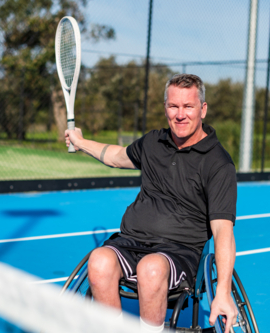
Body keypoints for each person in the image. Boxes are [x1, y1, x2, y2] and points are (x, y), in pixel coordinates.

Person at [65, 74, 238, 332]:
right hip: (131, 241)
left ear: (202, 109)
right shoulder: (153, 142)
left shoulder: (218, 163)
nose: (180, 115)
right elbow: (115, 156)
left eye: (188, 107)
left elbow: (223, 229)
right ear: (165, 107)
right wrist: (80, 142)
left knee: (151, 268)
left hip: (178, 252)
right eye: (173, 106)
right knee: (98, 260)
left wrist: (223, 291)